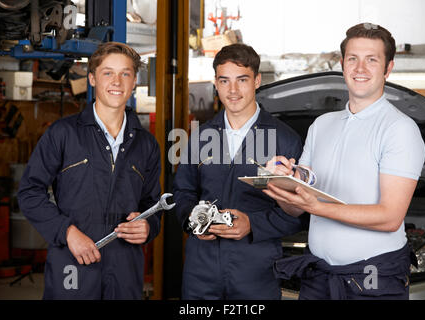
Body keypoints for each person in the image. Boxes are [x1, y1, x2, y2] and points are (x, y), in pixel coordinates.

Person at [263, 23, 425, 300]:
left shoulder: (399, 129)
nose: (360, 68)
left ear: (388, 68)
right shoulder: (321, 125)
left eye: (371, 59)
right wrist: (282, 181)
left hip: (374, 279)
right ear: (342, 64)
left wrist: (317, 207)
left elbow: (389, 217)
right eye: (353, 59)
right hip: (319, 276)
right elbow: (297, 203)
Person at [17, 42, 162, 299]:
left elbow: (152, 203)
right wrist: (67, 232)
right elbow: (30, 192)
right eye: (108, 73)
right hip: (72, 260)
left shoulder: (147, 144)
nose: (117, 81)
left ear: (134, 81)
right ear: (93, 78)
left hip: (125, 266)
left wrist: (148, 225)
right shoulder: (63, 133)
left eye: (125, 73)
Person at [173, 43, 304, 299]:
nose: (232, 91)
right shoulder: (201, 137)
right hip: (201, 267)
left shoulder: (284, 140)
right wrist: (193, 219)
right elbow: (182, 191)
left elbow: (301, 212)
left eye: (241, 80)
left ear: (257, 80)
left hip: (257, 268)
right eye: (224, 81)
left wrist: (252, 224)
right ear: (216, 83)